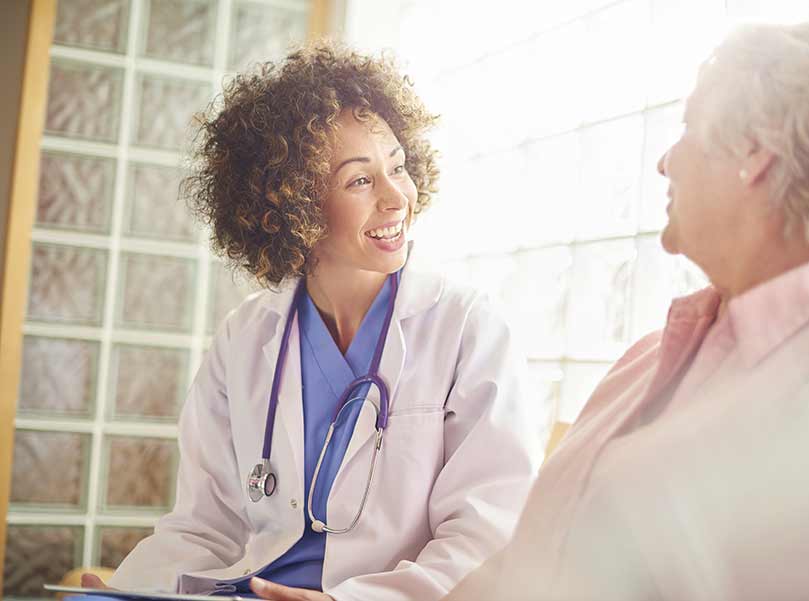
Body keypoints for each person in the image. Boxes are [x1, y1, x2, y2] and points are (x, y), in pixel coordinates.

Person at [442, 17, 809, 601]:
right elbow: (530, 561)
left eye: (686, 128)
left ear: (754, 149)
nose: (665, 162)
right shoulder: (649, 357)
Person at [83, 42, 541, 601]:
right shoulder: (246, 337)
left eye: (397, 167)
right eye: (360, 181)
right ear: (293, 204)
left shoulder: (467, 327)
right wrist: (131, 592)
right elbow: (206, 523)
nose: (398, 197)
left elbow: (489, 531)